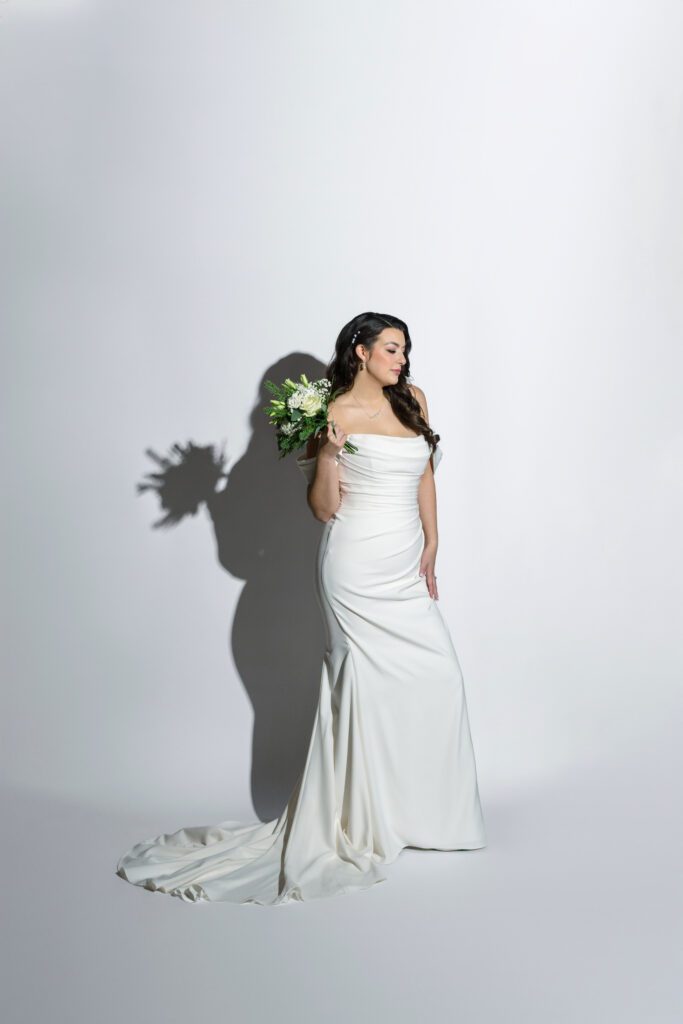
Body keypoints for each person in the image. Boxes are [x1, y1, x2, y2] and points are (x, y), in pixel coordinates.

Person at [115, 311, 486, 906]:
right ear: (360, 352)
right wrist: (332, 455)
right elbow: (320, 509)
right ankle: (366, 823)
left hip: (403, 565)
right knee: (361, 687)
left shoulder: (412, 399)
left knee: (437, 676)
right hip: (353, 567)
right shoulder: (329, 413)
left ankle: (425, 816)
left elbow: (424, 475)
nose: (403, 359)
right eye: (392, 348)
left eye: (405, 349)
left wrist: (433, 541)